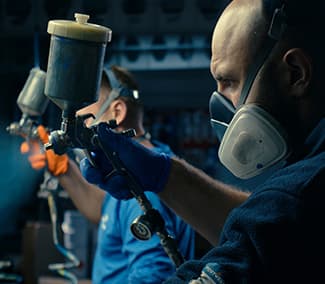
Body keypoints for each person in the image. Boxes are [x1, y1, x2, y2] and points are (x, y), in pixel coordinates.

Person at [79, 0, 325, 283]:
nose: (221, 105)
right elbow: (273, 235)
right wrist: (166, 176)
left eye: (229, 82)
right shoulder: (300, 192)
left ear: (295, 73)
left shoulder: (302, 192)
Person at [24, 65, 195, 283]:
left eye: (84, 114)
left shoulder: (142, 187)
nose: (77, 125)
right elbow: (105, 212)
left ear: (117, 112)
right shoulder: (142, 169)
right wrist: (64, 171)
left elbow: (153, 276)